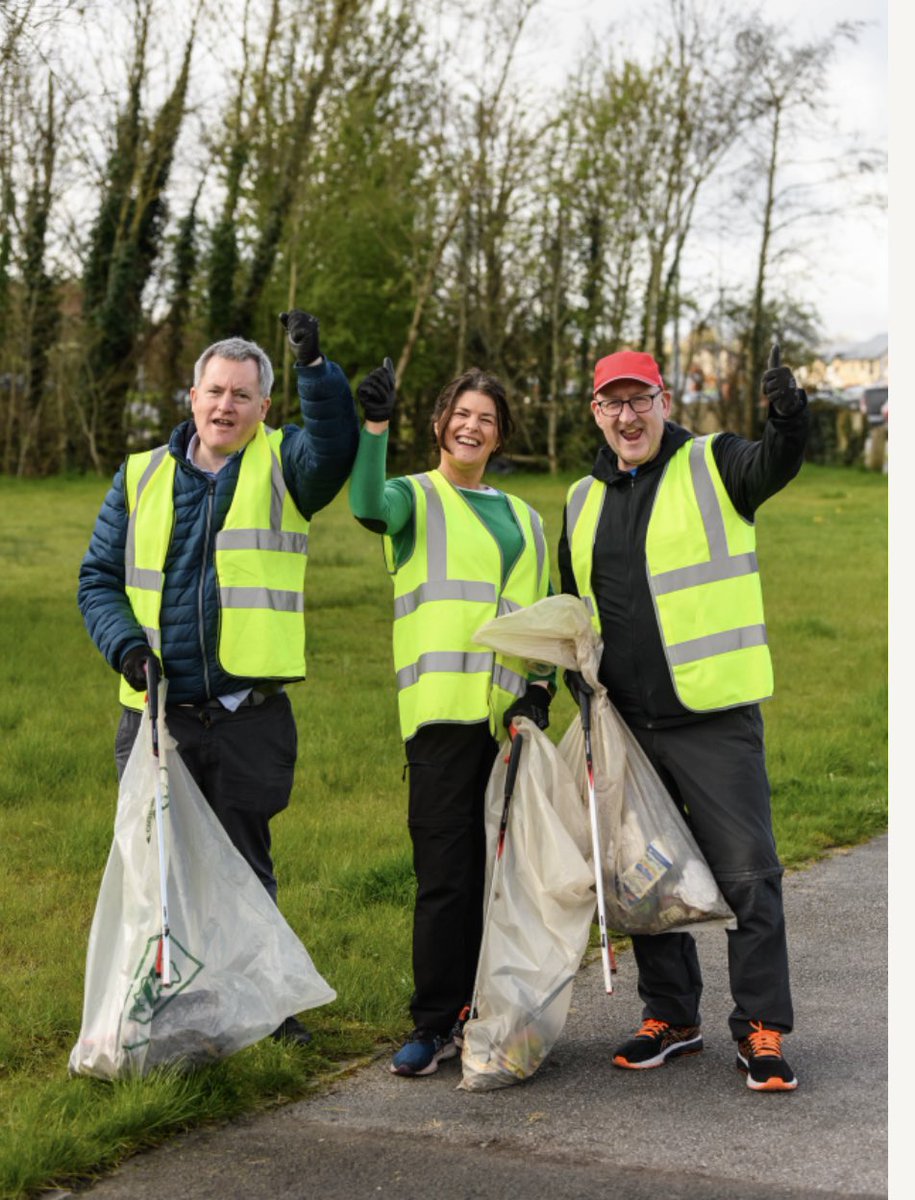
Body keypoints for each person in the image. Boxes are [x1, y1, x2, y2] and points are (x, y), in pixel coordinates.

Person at [77, 310, 358, 1047]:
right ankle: (167, 1017)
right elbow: (98, 579)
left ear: (265, 407)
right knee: (158, 875)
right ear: (191, 396)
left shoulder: (287, 463)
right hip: (156, 712)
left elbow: (335, 450)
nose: (225, 406)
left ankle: (265, 1013)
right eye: (214, 391)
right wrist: (126, 648)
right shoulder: (139, 476)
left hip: (245, 712)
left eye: (241, 395)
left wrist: (316, 371)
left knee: (242, 869)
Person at [559, 346, 808, 1092]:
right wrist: (576, 690)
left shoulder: (714, 462)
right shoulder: (579, 498)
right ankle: (670, 1017)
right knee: (649, 878)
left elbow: (777, 462)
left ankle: (760, 1027)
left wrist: (787, 415)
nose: (627, 416)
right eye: (612, 404)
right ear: (596, 413)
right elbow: (572, 608)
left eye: (640, 401)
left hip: (712, 712)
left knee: (745, 875)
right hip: (626, 722)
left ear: (663, 401)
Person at [349, 361, 554, 1077]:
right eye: (461, 414)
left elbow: (540, 623)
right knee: (445, 877)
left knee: (509, 880)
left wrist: (539, 692)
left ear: (500, 438)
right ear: (439, 424)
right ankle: (435, 1020)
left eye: (487, 420)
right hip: (439, 722)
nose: (472, 426)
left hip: (509, 729)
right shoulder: (413, 497)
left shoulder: (528, 521)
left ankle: (499, 1014)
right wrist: (372, 427)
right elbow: (368, 504)